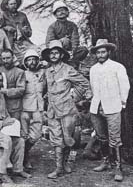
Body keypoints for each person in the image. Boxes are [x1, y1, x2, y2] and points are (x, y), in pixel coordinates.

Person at [41, 40, 91, 179]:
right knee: (56, 139)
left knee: (67, 138)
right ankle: (58, 168)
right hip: (52, 110)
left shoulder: (68, 69)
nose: (54, 55)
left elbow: (84, 83)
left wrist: (75, 97)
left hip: (67, 109)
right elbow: (44, 89)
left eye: (56, 52)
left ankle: (65, 163)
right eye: (51, 53)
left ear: (62, 55)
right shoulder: (47, 71)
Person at [89, 39, 130, 182]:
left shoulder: (117, 67)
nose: (100, 55)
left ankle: (118, 167)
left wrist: (121, 104)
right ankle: (105, 161)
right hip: (96, 107)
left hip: (112, 107)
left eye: (103, 52)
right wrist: (96, 104)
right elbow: (93, 88)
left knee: (115, 139)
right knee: (101, 137)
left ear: (108, 52)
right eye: (98, 52)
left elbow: (125, 87)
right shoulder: (93, 69)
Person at [21, 49, 45, 169]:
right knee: (24, 135)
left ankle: (25, 151)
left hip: (38, 108)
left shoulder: (43, 73)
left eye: (33, 59)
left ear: (37, 60)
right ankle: (24, 158)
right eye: (29, 60)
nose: (31, 62)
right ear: (25, 62)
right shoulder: (22, 74)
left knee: (36, 135)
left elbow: (45, 88)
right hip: (25, 108)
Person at [45, 0, 89, 69]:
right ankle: (64, 62)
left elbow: (75, 40)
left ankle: (71, 62)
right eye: (58, 11)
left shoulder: (72, 25)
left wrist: (73, 51)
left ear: (67, 12)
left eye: (63, 10)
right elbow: (49, 42)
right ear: (55, 14)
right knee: (65, 41)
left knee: (84, 50)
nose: (61, 12)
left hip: (71, 52)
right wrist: (60, 44)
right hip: (57, 51)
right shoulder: (52, 26)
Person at [0, 0, 35, 64]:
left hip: (23, 42)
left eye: (15, 4)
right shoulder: (3, 15)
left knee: (35, 52)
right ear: (7, 6)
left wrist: (26, 30)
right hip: (10, 43)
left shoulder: (22, 15)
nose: (14, 6)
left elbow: (30, 33)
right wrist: (6, 28)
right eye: (11, 4)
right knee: (15, 61)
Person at [0, 49, 26, 120]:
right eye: (4, 58)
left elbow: (21, 90)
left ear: (13, 58)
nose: (6, 61)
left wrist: (5, 91)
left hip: (14, 108)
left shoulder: (19, 72)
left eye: (8, 58)